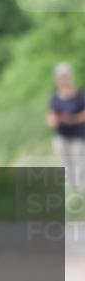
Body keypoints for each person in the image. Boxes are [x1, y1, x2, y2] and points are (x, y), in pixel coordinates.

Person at [46, 62, 85, 190]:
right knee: (66, 168)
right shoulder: (54, 98)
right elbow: (51, 119)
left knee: (79, 166)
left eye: (66, 76)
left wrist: (71, 118)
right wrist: (58, 119)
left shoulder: (80, 95)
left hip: (78, 137)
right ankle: (72, 194)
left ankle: (81, 192)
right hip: (62, 137)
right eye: (61, 77)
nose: (64, 80)